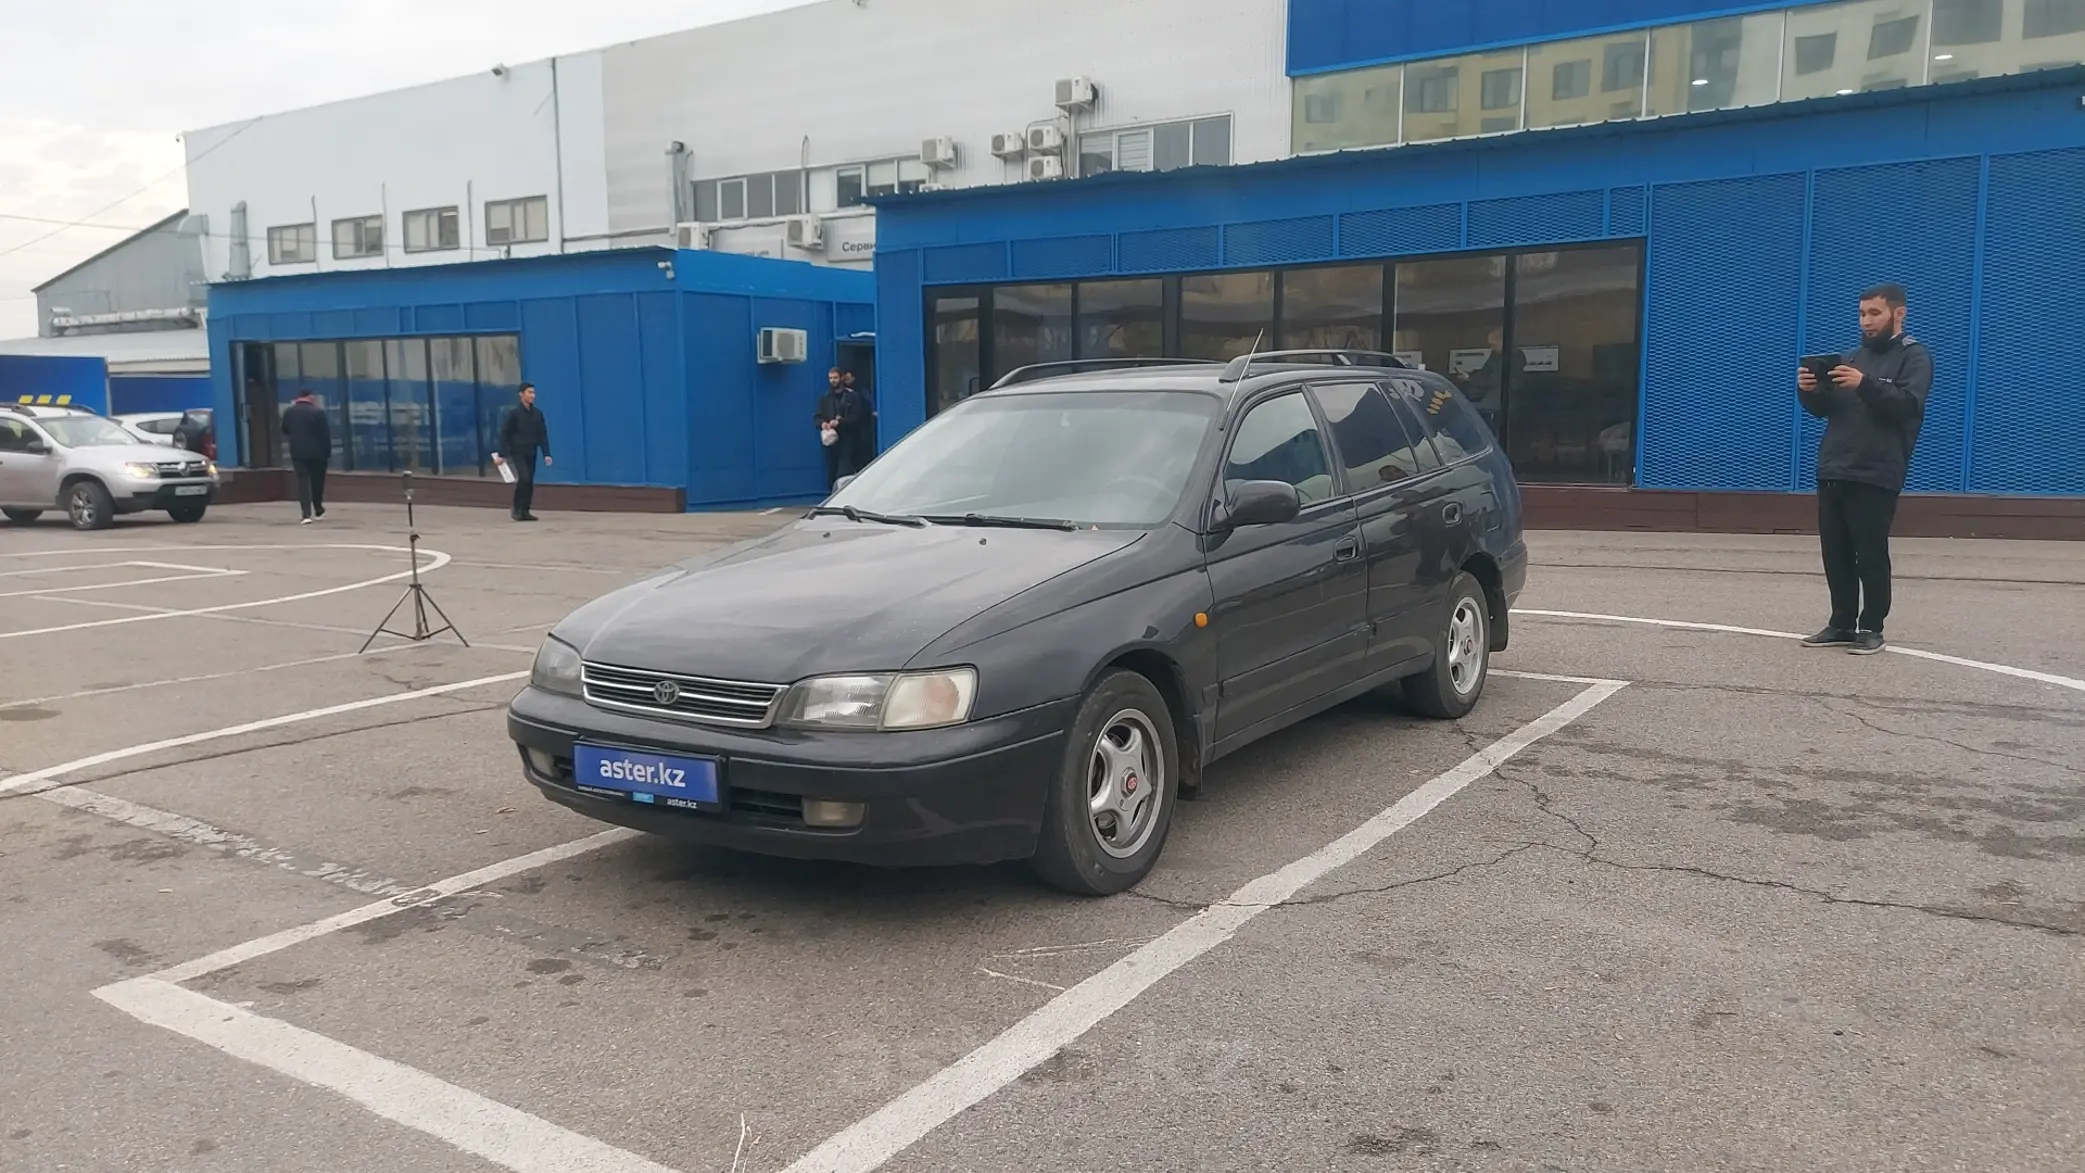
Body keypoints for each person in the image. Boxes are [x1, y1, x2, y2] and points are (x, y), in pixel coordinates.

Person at [1797, 283, 1932, 656]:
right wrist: (1809, 390)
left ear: (1898, 314)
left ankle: (1871, 626)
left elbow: (1907, 406)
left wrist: (1866, 384)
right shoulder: (1851, 358)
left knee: (1869, 553)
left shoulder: (1914, 357)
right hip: (1834, 466)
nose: (1866, 321)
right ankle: (1841, 622)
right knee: (1835, 551)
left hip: (1876, 471)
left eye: (1875, 313)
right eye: (1862, 314)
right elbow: (1827, 409)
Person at [493, 383, 552, 522]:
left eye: (533, 393)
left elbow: (542, 434)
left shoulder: (537, 413)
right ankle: (517, 507)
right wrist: (502, 454)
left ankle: (525, 510)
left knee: (529, 481)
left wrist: (546, 453)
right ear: (521, 394)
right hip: (518, 451)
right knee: (524, 478)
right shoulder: (514, 413)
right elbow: (505, 433)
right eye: (529, 392)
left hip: (531, 450)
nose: (532, 395)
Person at [279, 390, 331, 525]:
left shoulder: (289, 412)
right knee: (317, 481)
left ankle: (305, 514)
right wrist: (327, 452)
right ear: (310, 397)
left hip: (297, 452)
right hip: (317, 452)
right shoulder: (318, 413)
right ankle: (318, 508)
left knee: (303, 481)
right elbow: (325, 434)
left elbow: (284, 429)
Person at [814, 369, 866, 491]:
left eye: (835, 378)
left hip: (848, 439)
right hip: (830, 440)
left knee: (844, 470)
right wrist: (822, 424)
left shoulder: (851, 396)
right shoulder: (824, 398)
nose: (832, 381)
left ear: (841, 378)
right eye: (830, 378)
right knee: (831, 470)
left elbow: (857, 417)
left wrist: (840, 422)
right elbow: (817, 417)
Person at [842, 370, 877, 473]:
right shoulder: (843, 392)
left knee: (863, 445)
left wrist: (873, 410)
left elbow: (869, 401)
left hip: (862, 422)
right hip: (849, 424)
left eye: (848, 379)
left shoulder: (860, 390)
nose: (847, 381)